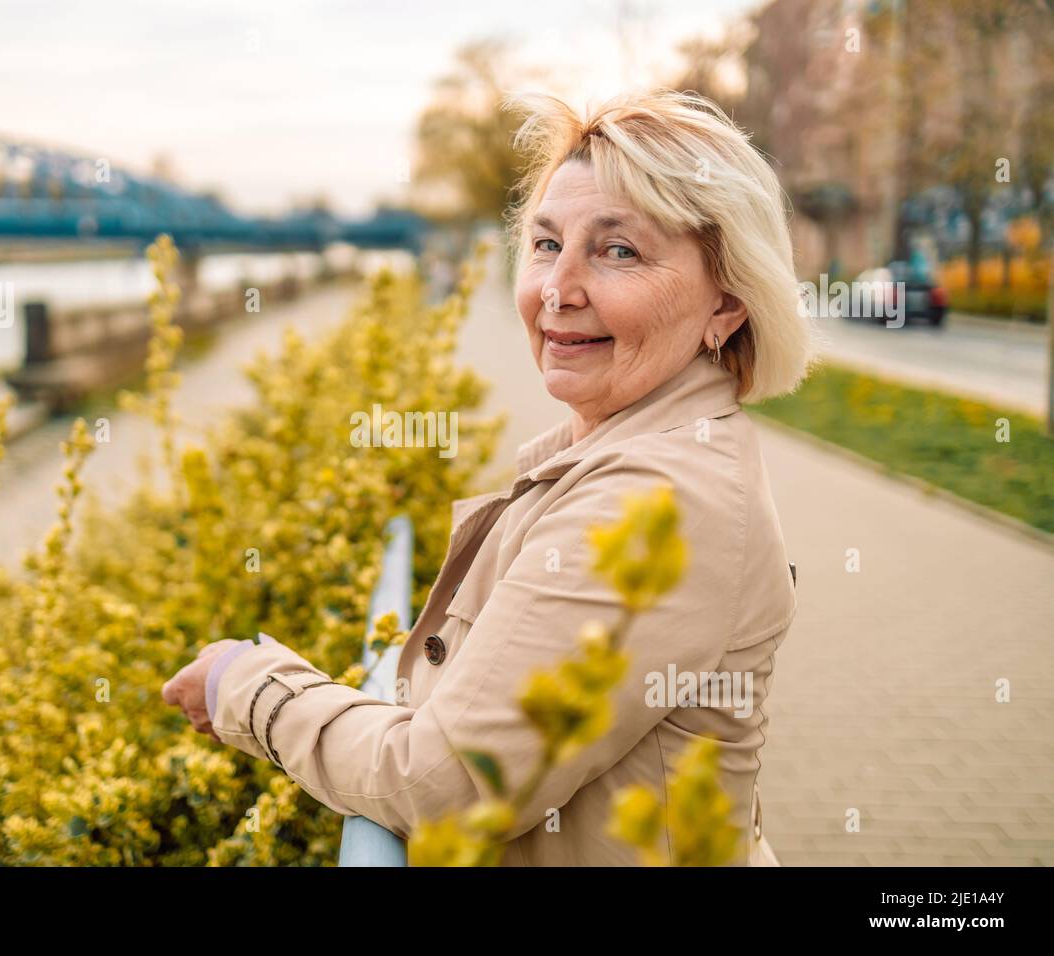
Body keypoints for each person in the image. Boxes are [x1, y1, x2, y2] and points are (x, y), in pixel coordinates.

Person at [163, 89, 817, 865]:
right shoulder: (629, 455)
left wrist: (246, 683)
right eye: (545, 245)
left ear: (729, 304)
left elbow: (442, 784)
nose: (557, 290)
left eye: (618, 252)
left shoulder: (655, 500)